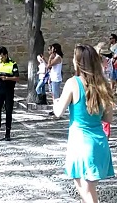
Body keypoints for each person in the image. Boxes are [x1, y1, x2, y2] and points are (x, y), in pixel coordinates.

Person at [53, 44, 114, 203]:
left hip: (80, 143)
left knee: (88, 193)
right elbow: (108, 119)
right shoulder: (103, 84)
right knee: (85, 188)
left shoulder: (73, 83)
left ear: (77, 62)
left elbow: (58, 112)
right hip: (99, 143)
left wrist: (55, 102)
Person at [0, 47, 19, 141]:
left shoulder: (13, 64)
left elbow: (17, 77)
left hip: (8, 90)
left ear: (6, 55)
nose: (0, 58)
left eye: (1, 56)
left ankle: (7, 133)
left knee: (8, 111)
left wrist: (7, 78)